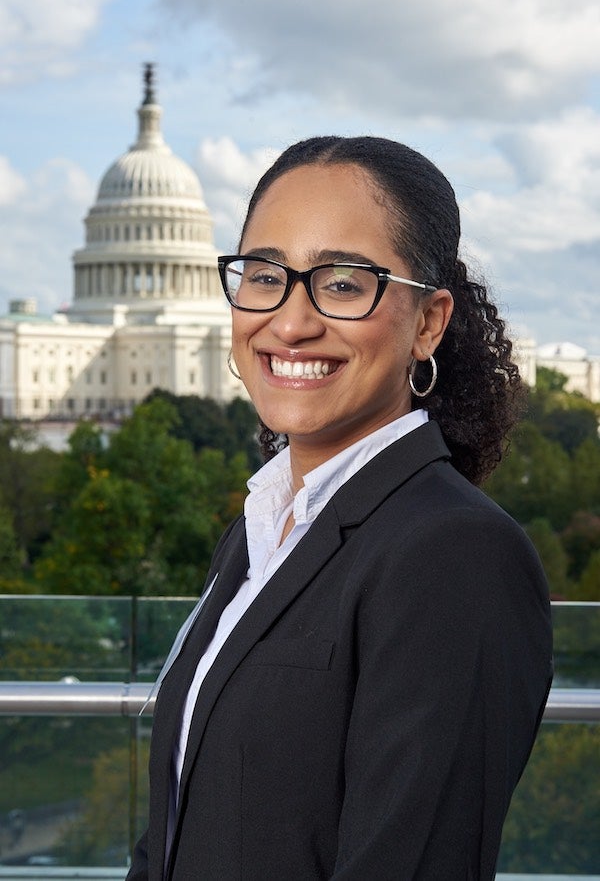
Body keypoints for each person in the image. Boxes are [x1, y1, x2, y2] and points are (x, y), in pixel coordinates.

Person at [127, 136, 553, 881]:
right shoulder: (264, 529)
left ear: (428, 322)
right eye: (265, 276)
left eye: (343, 284)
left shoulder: (455, 553)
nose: (290, 322)